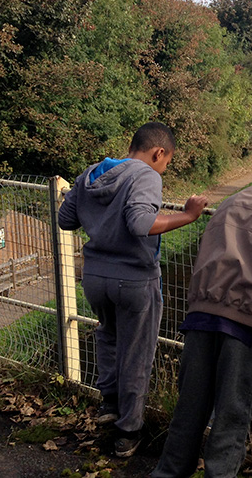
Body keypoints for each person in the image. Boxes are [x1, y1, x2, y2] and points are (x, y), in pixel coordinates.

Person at [152, 148, 252, 478]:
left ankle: (167, 474)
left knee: (190, 407)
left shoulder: (231, 201)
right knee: (232, 413)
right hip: (243, 323)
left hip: (200, 314)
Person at [58, 122, 208, 457]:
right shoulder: (146, 176)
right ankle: (128, 432)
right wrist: (187, 216)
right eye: (166, 161)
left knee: (108, 336)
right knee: (137, 354)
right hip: (135, 280)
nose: (164, 168)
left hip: (95, 278)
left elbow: (66, 219)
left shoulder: (93, 172)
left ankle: (108, 404)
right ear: (158, 153)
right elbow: (141, 223)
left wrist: (99, 220)